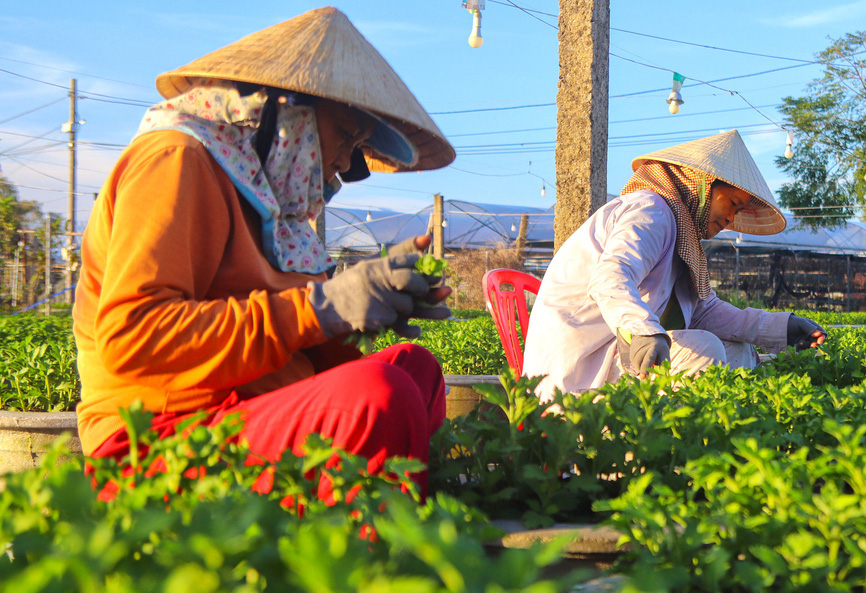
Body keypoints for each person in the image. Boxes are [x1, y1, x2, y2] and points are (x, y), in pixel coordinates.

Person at [73, 8, 457, 497]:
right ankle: (369, 564)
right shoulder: (178, 159)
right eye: (344, 136)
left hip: (243, 418)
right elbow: (134, 337)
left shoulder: (270, 204)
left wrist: (370, 301)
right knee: (379, 397)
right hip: (158, 442)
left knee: (413, 369)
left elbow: (298, 340)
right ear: (283, 110)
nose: (345, 161)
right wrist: (323, 307)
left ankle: (373, 531)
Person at [522, 130, 827, 399]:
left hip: (613, 354)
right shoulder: (650, 211)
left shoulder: (679, 229)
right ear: (704, 186)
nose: (732, 219)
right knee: (705, 349)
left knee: (738, 350)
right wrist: (642, 330)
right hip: (575, 367)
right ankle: (646, 461)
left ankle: (717, 449)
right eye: (733, 203)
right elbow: (611, 277)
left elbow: (703, 311)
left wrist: (781, 327)